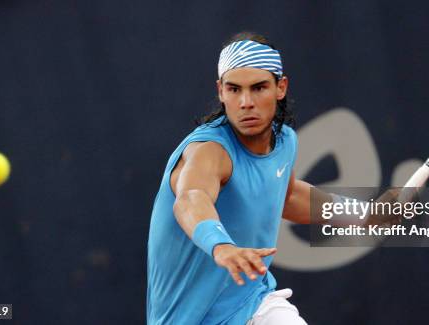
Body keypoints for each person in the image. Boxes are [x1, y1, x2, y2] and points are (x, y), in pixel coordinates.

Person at [147, 32, 401, 325]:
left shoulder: (285, 142)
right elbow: (191, 199)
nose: (246, 102)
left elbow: (288, 196)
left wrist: (364, 215)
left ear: (281, 87)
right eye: (234, 89)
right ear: (220, 91)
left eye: (258, 88)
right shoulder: (209, 151)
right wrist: (222, 246)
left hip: (253, 303)